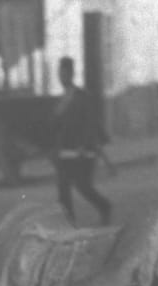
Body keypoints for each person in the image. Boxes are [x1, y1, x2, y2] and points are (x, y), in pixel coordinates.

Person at [51, 56, 111, 224]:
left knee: (83, 186)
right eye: (60, 74)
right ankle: (69, 223)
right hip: (65, 151)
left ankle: (104, 206)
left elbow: (90, 123)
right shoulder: (60, 100)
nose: (62, 77)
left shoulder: (82, 97)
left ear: (71, 74)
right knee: (63, 188)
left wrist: (84, 145)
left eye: (64, 73)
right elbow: (57, 126)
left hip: (83, 151)